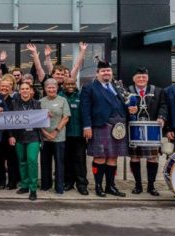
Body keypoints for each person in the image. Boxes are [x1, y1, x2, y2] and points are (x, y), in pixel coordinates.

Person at [80, 61, 134, 198]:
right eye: (103, 71)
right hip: (101, 126)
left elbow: (126, 103)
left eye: (108, 71)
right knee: (100, 158)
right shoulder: (89, 88)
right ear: (97, 73)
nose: (106, 73)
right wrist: (87, 126)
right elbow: (84, 109)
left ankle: (110, 186)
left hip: (119, 128)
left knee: (113, 158)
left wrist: (131, 110)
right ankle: (98, 186)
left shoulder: (118, 87)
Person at [125, 67, 163, 196]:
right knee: (135, 158)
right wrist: (127, 111)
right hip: (134, 128)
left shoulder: (157, 91)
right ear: (133, 79)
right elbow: (120, 106)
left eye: (144, 77)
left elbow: (164, 106)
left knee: (153, 158)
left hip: (152, 127)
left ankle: (151, 186)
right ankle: (138, 185)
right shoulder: (126, 91)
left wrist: (161, 117)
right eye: (138, 77)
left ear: (147, 78)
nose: (141, 79)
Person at [9, 80, 42, 201]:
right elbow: (9, 121)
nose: (24, 91)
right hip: (19, 136)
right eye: (22, 89)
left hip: (33, 136)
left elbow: (41, 119)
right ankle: (25, 185)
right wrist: (11, 136)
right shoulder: (14, 103)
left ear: (31, 91)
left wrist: (46, 116)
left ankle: (33, 189)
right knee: (22, 161)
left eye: (27, 88)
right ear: (19, 91)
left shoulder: (37, 104)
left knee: (32, 160)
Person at [39, 78, 70, 195]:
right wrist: (45, 133)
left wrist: (55, 131)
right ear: (45, 89)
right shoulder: (41, 101)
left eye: (53, 87)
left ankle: (59, 187)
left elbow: (66, 117)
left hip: (59, 137)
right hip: (45, 137)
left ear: (57, 88)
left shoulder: (63, 100)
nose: (51, 89)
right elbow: (37, 119)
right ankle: (46, 185)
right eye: (49, 87)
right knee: (45, 162)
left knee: (59, 163)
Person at [62, 77, 89, 195]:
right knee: (67, 160)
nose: (70, 86)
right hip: (64, 134)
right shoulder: (60, 96)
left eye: (72, 83)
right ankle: (68, 182)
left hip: (79, 134)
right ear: (63, 85)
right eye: (67, 84)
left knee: (80, 160)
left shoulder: (82, 96)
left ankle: (82, 184)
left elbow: (86, 113)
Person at [0, 76, 20, 191]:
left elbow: (15, 120)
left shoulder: (15, 101)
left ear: (11, 88)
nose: (4, 88)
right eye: (2, 86)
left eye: (7, 86)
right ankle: (0, 181)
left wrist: (12, 135)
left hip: (10, 135)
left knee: (12, 159)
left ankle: (12, 182)